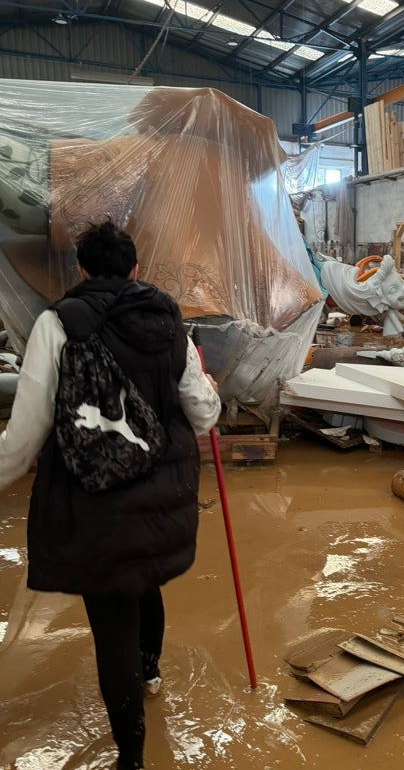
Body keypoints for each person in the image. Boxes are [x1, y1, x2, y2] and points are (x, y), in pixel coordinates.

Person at [0, 220, 222, 770]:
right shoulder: (170, 317)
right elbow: (202, 413)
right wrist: (209, 396)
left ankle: (132, 756)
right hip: (163, 493)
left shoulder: (58, 324)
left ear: (80, 269)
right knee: (144, 582)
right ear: (136, 267)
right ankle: (149, 673)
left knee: (112, 617)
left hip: (94, 498)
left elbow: (25, 434)